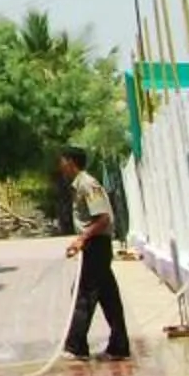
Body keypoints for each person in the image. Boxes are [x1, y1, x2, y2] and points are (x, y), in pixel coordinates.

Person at [59, 146, 131, 360]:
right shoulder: (79, 185)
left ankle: (76, 346)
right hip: (95, 244)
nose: (60, 166)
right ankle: (119, 345)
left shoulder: (87, 184)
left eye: (62, 161)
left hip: (96, 245)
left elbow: (103, 219)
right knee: (108, 296)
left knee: (84, 294)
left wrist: (82, 238)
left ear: (71, 162)